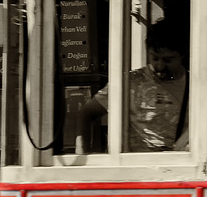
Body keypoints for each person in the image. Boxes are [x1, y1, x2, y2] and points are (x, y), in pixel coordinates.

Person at [80, 17, 190, 152]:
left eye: (168, 60)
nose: (160, 66)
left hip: (179, 165)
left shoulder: (195, 85)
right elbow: (86, 113)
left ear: (183, 55)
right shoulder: (131, 82)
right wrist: (83, 155)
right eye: (154, 58)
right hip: (136, 164)